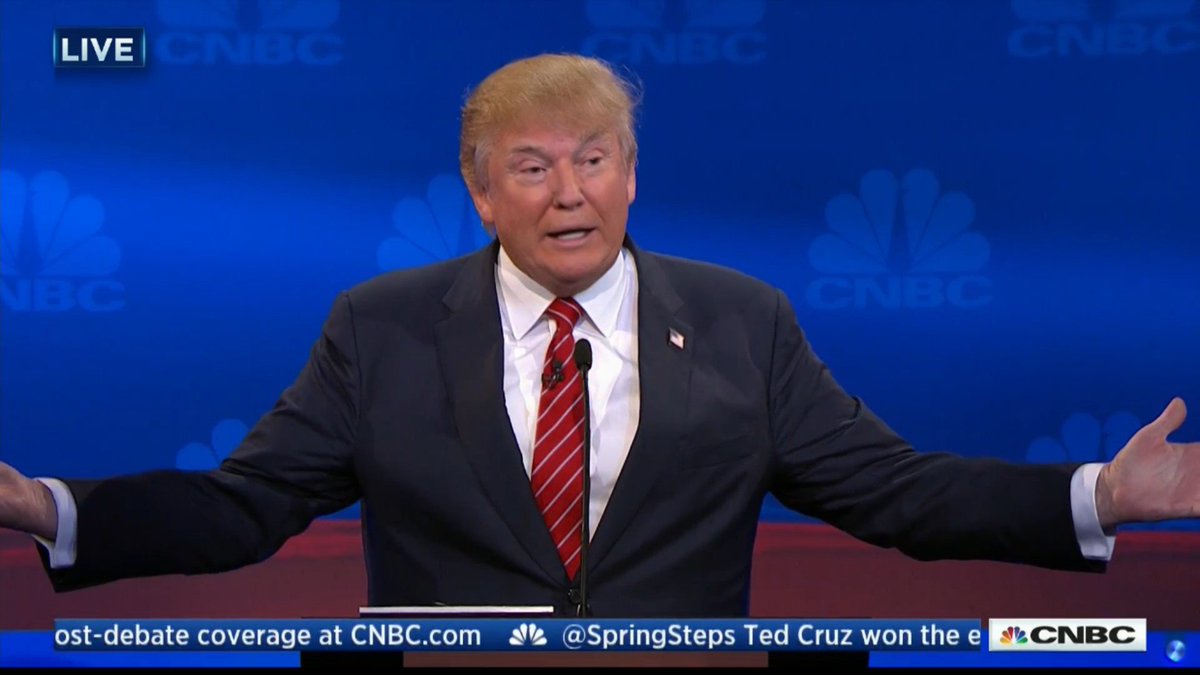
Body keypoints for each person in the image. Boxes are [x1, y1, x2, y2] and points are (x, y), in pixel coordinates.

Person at [0, 53, 1196, 618]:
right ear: (481, 194)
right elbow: (244, 506)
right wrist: (52, 509)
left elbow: (898, 494)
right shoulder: (384, 329)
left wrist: (1099, 495)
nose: (567, 192)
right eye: (531, 167)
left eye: (593, 159)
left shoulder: (740, 321)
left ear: (631, 177)